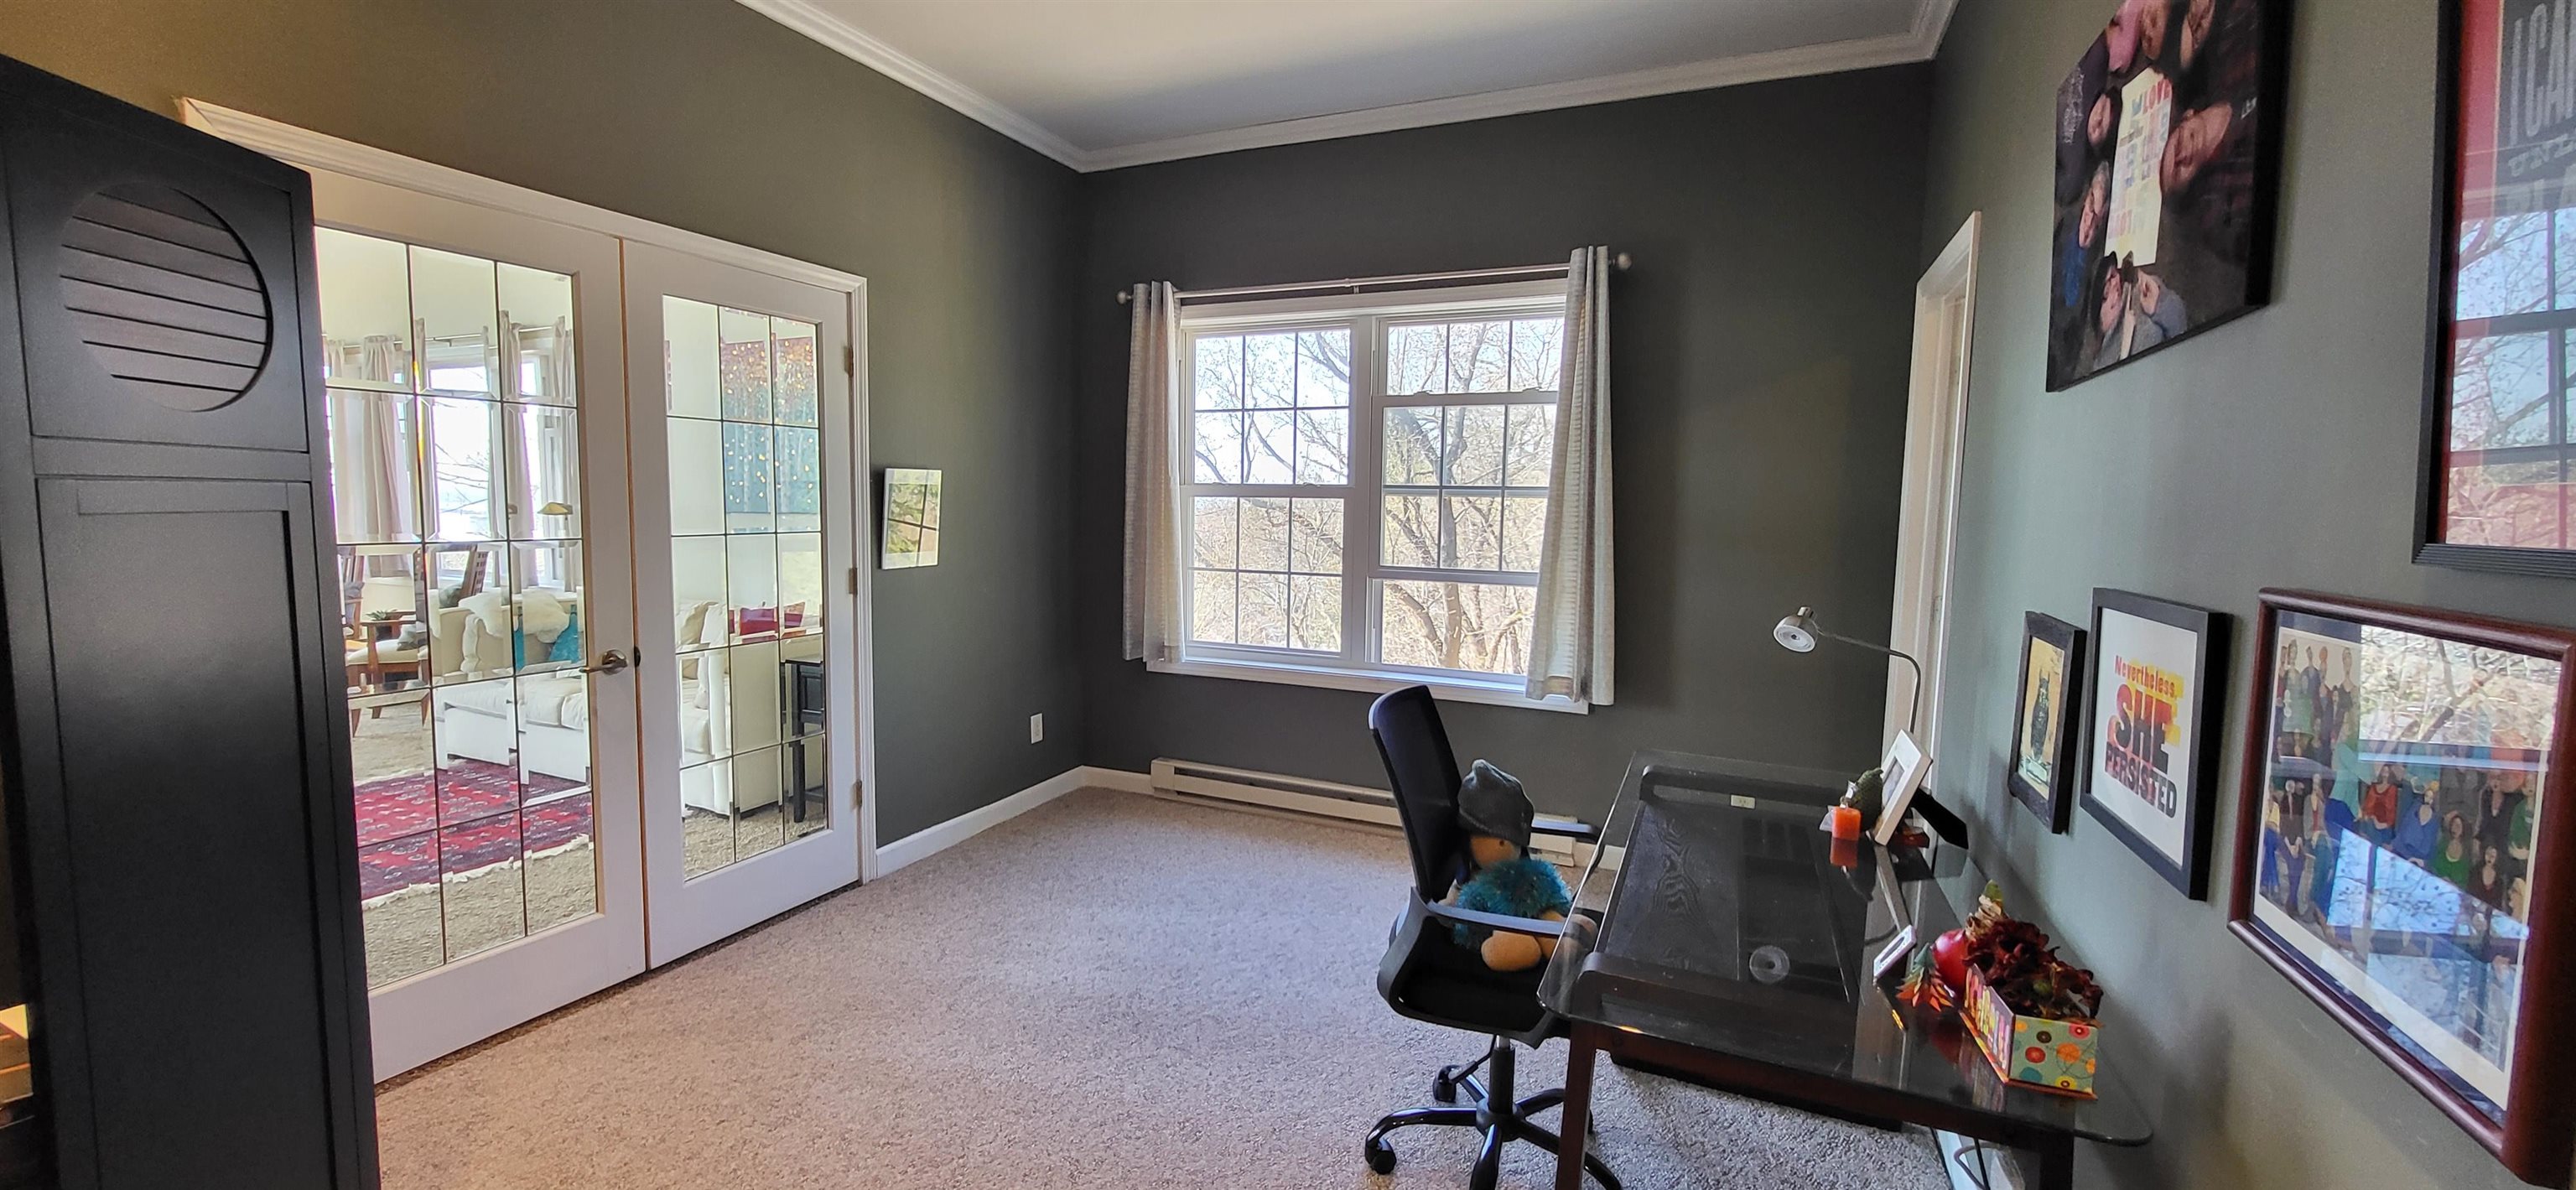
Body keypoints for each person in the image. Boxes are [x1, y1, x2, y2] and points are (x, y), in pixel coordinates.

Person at [2394, 783, 2439, 865]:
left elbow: (2431, 847)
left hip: (2420, 860)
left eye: (2431, 798)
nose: (2428, 800)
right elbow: (2403, 829)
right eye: (2427, 796)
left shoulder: (2434, 821)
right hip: (2402, 853)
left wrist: (2422, 862)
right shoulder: (2414, 809)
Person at [2434, 812, 2476, 886]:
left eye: (2458, 826)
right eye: (2453, 824)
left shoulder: (2466, 854)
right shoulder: (2443, 842)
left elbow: (2464, 881)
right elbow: (2433, 863)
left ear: (2463, 829)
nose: (2455, 828)